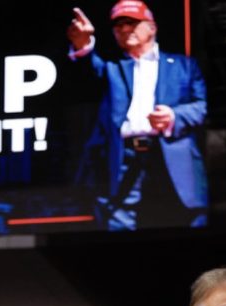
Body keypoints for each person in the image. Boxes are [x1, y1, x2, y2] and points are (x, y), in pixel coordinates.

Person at [66, 1, 208, 231]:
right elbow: (85, 71)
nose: (123, 29)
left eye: (131, 23)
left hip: (171, 154)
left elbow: (201, 106)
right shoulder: (112, 68)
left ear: (152, 27)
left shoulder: (183, 65)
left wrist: (174, 116)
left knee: (183, 223)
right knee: (119, 225)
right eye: (118, 25)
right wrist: (82, 44)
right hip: (124, 158)